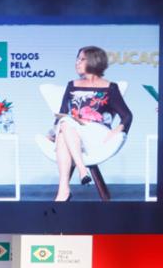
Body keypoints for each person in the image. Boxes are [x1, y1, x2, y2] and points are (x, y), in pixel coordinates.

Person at [52, 46, 133, 202]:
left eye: (81, 59)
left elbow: (127, 115)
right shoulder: (71, 85)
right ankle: (67, 188)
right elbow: (62, 113)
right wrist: (53, 131)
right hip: (72, 133)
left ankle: (74, 180)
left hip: (96, 134)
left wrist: (116, 131)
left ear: (94, 61)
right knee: (64, 127)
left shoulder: (110, 88)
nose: (77, 63)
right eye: (76, 59)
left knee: (65, 127)